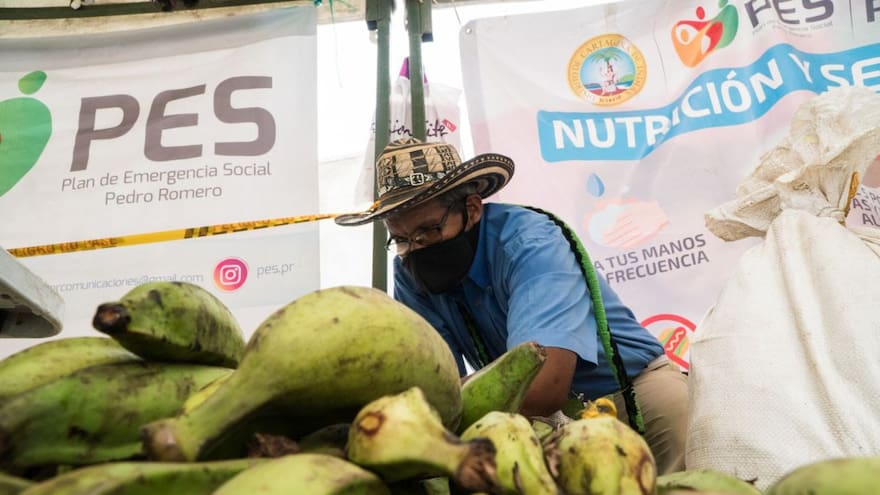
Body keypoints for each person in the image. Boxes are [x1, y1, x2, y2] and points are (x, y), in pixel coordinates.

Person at [335, 137, 688, 474]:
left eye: (429, 229)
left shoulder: (529, 243)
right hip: (536, 421)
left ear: (471, 209)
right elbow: (434, 381)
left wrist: (437, 398)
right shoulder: (410, 272)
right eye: (402, 238)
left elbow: (543, 384)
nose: (418, 246)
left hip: (634, 393)